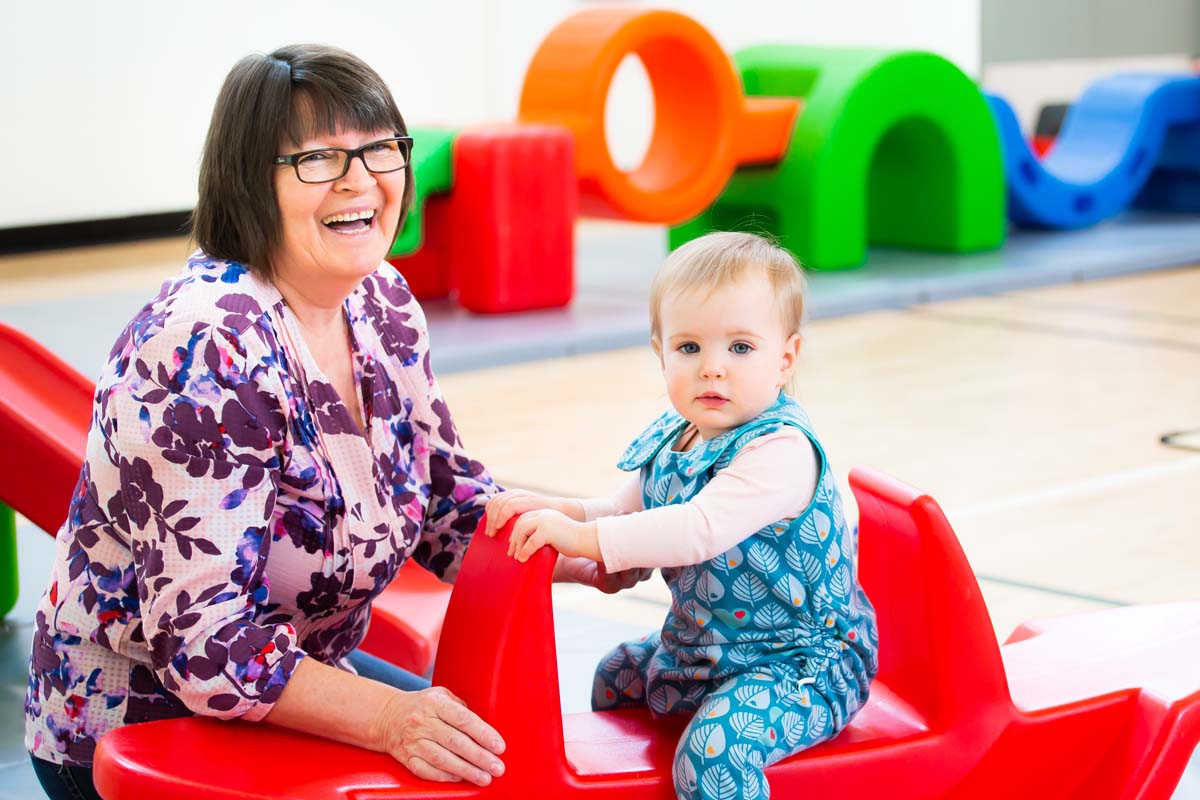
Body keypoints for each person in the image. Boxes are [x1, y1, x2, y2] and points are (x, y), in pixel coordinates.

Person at [24, 43, 634, 800]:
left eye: (380, 149)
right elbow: (206, 645)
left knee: (488, 756)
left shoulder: (381, 299)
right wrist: (389, 718)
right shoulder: (207, 344)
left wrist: (592, 544)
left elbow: (450, 504)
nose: (361, 180)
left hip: (291, 682)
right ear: (251, 180)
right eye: (317, 158)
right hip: (141, 726)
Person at [484, 231, 880, 800]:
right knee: (614, 675)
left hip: (802, 664)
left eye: (740, 348)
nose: (712, 369)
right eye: (689, 348)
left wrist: (580, 535)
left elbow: (697, 529)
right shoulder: (678, 438)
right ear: (660, 351)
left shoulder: (781, 451)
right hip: (707, 652)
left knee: (713, 756)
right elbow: (623, 511)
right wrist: (559, 511)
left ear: (785, 358)